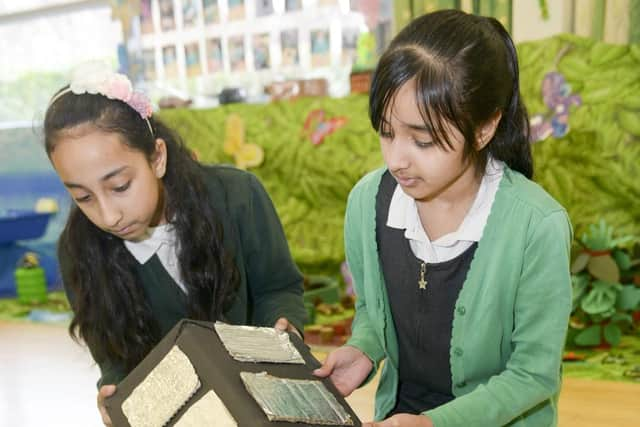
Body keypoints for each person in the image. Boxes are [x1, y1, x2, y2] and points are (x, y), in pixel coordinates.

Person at [314, 10, 572, 427]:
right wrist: (363, 350)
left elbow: (532, 375)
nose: (397, 159)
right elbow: (373, 312)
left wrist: (435, 423)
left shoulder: (536, 226)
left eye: (423, 140)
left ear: (485, 128)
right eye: (386, 132)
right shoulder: (368, 202)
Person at [43, 62, 307, 426]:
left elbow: (278, 287)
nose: (108, 216)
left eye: (120, 186)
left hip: (264, 402)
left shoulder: (236, 197)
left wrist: (283, 325)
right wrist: (114, 394)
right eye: (83, 197)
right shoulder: (78, 253)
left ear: (158, 157)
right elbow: (114, 362)